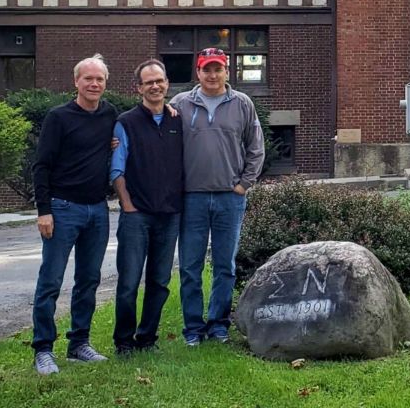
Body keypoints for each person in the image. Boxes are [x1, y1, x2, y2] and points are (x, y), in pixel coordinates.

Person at [171, 46, 265, 346]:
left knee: (225, 265)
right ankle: (193, 329)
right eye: (206, 69)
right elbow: (154, 132)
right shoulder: (180, 104)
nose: (212, 74)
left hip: (230, 198)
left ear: (227, 71)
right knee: (190, 267)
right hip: (191, 199)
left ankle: (218, 325)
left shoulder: (242, 104)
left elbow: (256, 148)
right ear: (197, 72)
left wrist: (243, 185)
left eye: (218, 69)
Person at [31, 53, 117, 375]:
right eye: (88, 78)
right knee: (51, 280)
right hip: (62, 208)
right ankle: (43, 349)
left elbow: (135, 126)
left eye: (100, 79)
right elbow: (41, 166)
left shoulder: (110, 114)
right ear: (76, 82)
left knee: (89, 280)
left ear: (105, 84)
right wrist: (44, 211)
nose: (94, 84)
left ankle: (78, 344)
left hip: (98, 210)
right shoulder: (58, 117)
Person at [110, 59, 183, 355]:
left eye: (160, 81)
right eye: (148, 82)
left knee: (160, 281)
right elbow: (116, 170)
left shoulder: (177, 119)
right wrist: (127, 206)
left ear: (167, 84)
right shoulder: (125, 122)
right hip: (136, 216)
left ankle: (147, 338)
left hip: (169, 214)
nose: (155, 86)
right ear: (138, 87)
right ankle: (124, 342)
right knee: (128, 282)